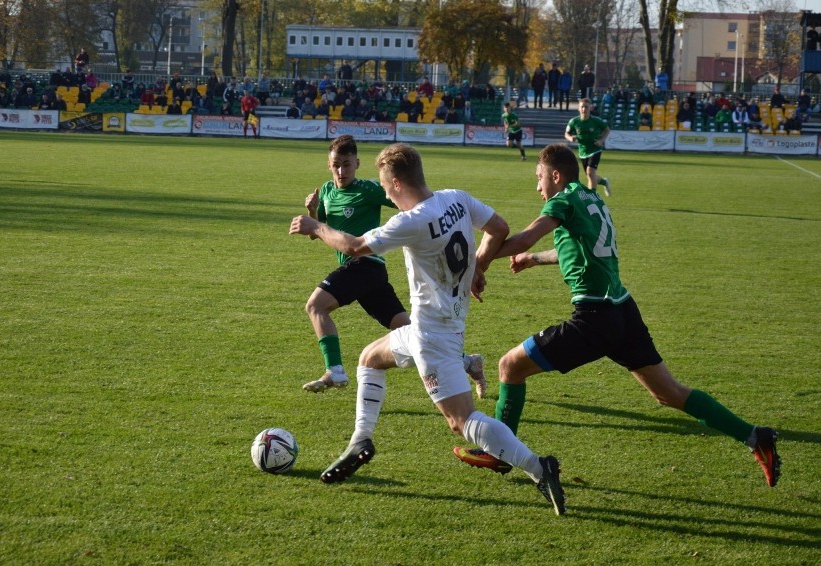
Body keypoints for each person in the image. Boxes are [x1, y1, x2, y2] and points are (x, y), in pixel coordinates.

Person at [453, 143, 782, 492]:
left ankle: (502, 452)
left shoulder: (562, 200)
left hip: (594, 318)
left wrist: (477, 263)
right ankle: (755, 436)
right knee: (669, 393)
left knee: (510, 367)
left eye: (539, 179)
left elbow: (525, 235)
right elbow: (578, 250)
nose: (537, 187)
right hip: (624, 310)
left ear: (555, 175)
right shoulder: (591, 198)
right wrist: (533, 260)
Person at [289, 143, 565, 515]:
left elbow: (354, 247)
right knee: (370, 359)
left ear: (398, 183)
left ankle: (538, 467)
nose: (385, 193)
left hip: (431, 336)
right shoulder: (457, 198)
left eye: (387, 188)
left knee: (461, 421)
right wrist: (476, 267)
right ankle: (361, 440)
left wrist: (316, 226)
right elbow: (499, 228)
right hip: (438, 323)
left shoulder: (411, 221)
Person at [294, 136, 488, 398]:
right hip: (368, 275)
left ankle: (335, 369)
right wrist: (314, 213)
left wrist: (436, 213)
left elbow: (408, 198)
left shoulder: (370, 190)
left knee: (315, 305)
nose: (342, 171)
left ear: (357, 164)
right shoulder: (327, 191)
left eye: (347, 165)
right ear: (329, 165)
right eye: (336, 165)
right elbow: (318, 233)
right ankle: (468, 362)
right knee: (409, 332)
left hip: (365, 264)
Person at [565, 98, 611, 197]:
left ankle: (592, 196)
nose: (584, 109)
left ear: (590, 108)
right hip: (582, 151)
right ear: (578, 108)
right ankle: (605, 182)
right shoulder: (574, 122)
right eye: (582, 107)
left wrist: (601, 141)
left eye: (586, 107)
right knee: (591, 176)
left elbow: (607, 130)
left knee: (590, 172)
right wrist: (570, 138)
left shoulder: (596, 121)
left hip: (595, 149)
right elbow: (567, 133)